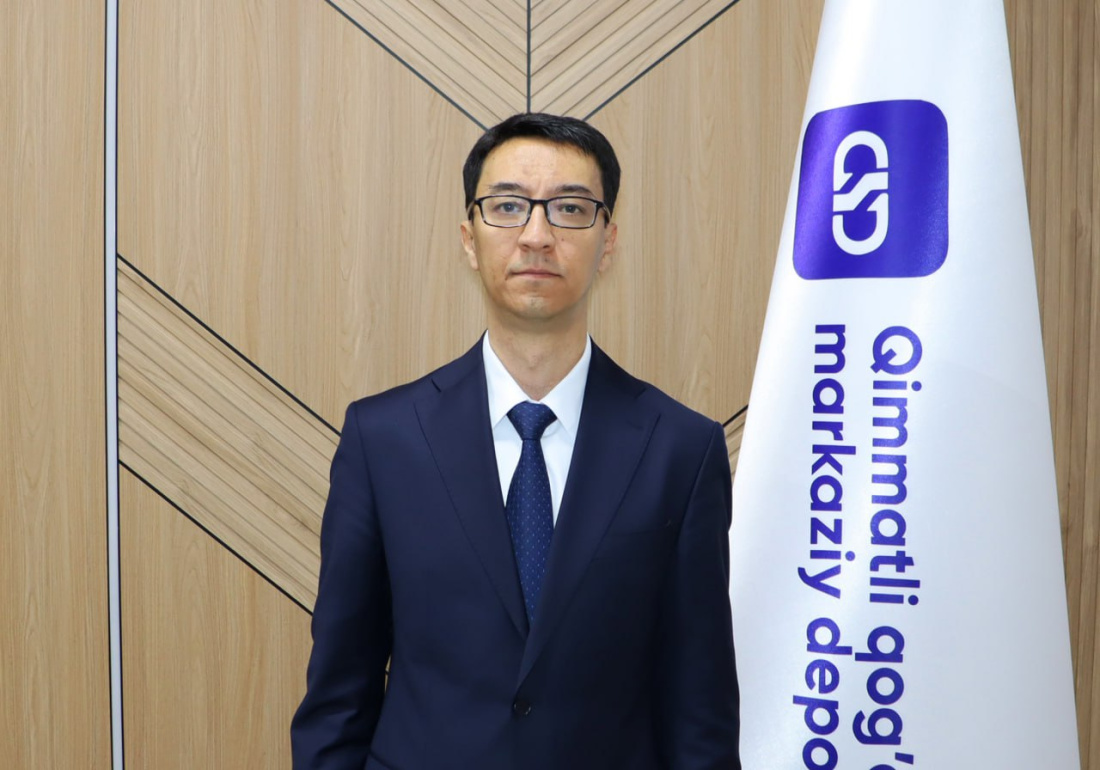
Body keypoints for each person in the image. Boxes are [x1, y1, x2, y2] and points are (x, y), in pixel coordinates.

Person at [291, 112, 740, 769]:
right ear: (469, 239)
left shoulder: (681, 450)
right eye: (508, 207)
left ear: (608, 242)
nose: (536, 235)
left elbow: (699, 711)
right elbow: (339, 696)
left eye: (569, 209)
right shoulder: (383, 439)